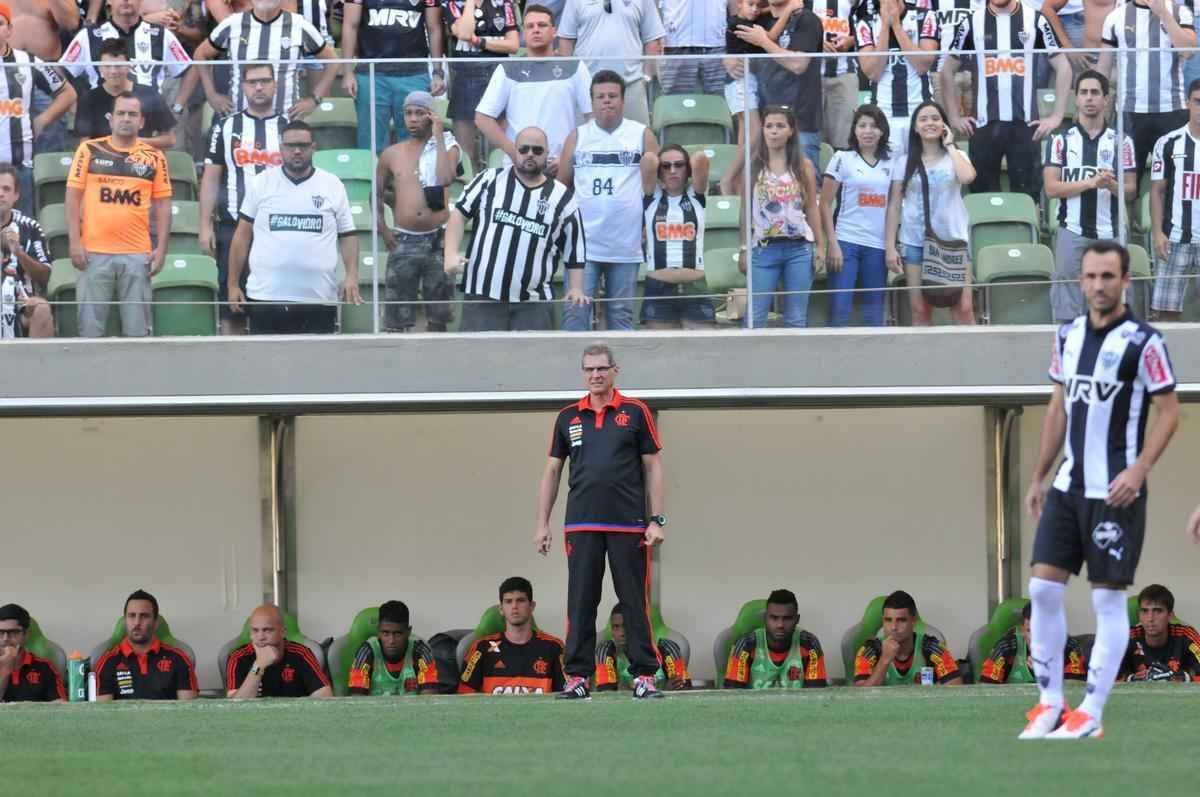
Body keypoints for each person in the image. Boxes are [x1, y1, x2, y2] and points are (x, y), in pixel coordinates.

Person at [1021, 239, 1180, 739]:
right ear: (1080, 280)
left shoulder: (1145, 342)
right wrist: (1039, 475)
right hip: (1069, 485)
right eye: (1090, 276)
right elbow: (1057, 407)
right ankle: (1050, 703)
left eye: (1108, 276)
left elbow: (1169, 413)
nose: (1098, 285)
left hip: (1115, 491)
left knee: (1108, 602)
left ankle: (1091, 711)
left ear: (1125, 281)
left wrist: (1139, 470)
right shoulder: (1066, 335)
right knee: (1042, 589)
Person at [536, 343, 666, 700]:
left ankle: (644, 676)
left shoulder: (636, 411)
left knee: (634, 602)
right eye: (589, 369)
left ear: (614, 371)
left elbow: (653, 466)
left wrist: (657, 520)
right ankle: (577, 677)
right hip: (581, 525)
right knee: (580, 602)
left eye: (601, 369)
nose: (595, 375)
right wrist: (542, 524)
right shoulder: (567, 417)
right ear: (583, 373)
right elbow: (552, 470)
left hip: (629, 525)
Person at [443, 126, 587, 331]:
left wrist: (576, 288)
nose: (530, 154)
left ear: (547, 154)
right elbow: (458, 215)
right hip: (482, 296)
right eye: (524, 149)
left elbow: (575, 248)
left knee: (533, 354)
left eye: (537, 150)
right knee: (477, 353)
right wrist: (450, 253)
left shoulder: (563, 197)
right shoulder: (489, 180)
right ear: (514, 150)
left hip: (534, 303)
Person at [228, 120, 361, 334]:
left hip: (318, 297)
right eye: (290, 146)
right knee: (266, 356)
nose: (297, 151)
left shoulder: (332, 184)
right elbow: (242, 236)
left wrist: (352, 275)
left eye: (303, 145)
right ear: (281, 148)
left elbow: (348, 234)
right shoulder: (261, 183)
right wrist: (233, 284)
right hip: (265, 296)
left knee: (316, 356)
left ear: (313, 147)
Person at [558, 70, 659, 332]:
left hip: (626, 243)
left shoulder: (642, 135)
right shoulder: (577, 136)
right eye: (600, 96)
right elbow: (561, 187)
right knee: (575, 313)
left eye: (612, 96)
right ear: (591, 101)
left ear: (622, 100)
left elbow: (654, 187)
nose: (606, 101)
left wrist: (649, 223)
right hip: (584, 245)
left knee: (621, 315)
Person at [66, 92, 172, 338]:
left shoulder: (155, 157)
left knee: (138, 334)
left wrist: (162, 249)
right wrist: (74, 243)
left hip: (137, 254)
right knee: (89, 333)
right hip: (93, 252)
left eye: (132, 114)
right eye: (121, 113)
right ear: (110, 119)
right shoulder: (88, 150)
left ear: (141, 121)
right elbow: (72, 198)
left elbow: (163, 206)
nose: (126, 118)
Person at [940, 0, 1072, 199]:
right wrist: (953, 117)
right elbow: (947, 70)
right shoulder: (971, 22)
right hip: (983, 126)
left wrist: (1056, 116)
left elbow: (1064, 67)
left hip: (1025, 126)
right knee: (982, 197)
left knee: (1028, 198)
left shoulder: (1036, 20)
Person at [199, 62, 286, 335]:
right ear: (243, 86)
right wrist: (204, 226)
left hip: (277, 228)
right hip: (232, 225)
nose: (259, 87)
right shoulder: (225, 126)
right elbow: (211, 178)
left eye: (265, 81)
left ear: (275, 85)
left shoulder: (287, 127)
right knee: (232, 305)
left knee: (272, 306)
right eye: (252, 82)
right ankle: (231, 357)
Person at [1043, 70, 1136, 323]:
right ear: (1076, 98)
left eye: (1095, 92)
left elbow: (1130, 191)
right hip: (1072, 229)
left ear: (1106, 99)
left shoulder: (1122, 142)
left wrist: (1110, 185)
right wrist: (1091, 183)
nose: (1089, 97)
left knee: (1115, 305)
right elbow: (1051, 188)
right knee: (1067, 309)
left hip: (1111, 231)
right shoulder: (1060, 140)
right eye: (1083, 92)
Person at [721, 105, 824, 328]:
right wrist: (743, 248)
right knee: (755, 318)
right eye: (769, 126)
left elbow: (811, 208)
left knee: (796, 318)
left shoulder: (803, 165)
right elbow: (745, 210)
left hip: (799, 248)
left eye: (780, 126)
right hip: (763, 248)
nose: (774, 131)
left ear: (791, 131)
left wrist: (821, 245)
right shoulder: (753, 166)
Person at [883, 100, 976, 326]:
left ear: (944, 124)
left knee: (963, 308)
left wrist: (950, 145)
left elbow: (967, 177)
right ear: (915, 127)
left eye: (935, 118)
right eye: (923, 119)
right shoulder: (904, 162)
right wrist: (890, 247)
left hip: (953, 241)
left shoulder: (956, 156)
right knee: (920, 310)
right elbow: (894, 205)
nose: (930, 123)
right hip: (915, 242)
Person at [376, 90, 460, 333]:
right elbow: (377, 194)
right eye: (408, 113)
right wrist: (383, 228)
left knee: (439, 315)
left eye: (420, 113)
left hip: (438, 239)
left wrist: (439, 136)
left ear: (431, 116)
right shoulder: (391, 154)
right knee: (397, 316)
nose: (413, 119)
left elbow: (445, 178)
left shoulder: (449, 147)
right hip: (404, 238)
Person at [474, 5, 593, 173]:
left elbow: (593, 118)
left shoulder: (574, 67)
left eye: (542, 25)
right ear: (524, 33)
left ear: (554, 31)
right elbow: (482, 118)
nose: (536, 30)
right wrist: (515, 153)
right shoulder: (508, 69)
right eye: (530, 26)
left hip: (561, 167)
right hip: (519, 169)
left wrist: (569, 155)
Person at [1097, 0, 1196, 189]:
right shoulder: (1115, 17)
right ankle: (1129, 211)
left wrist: (1163, 13)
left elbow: (1189, 52)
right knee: (1125, 184)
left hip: (1172, 110)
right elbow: (1103, 68)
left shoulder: (1179, 11)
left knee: (1174, 183)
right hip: (1130, 112)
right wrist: (1103, 109)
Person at [194, 0, 338, 120]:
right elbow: (200, 54)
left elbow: (333, 61)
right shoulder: (233, 24)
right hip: (239, 120)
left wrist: (315, 99)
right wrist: (211, 95)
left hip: (285, 122)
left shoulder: (299, 25)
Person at [821, 105, 895, 327]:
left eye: (874, 126)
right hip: (846, 242)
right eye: (862, 125)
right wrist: (833, 244)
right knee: (839, 310)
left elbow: (894, 207)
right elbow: (824, 204)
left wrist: (890, 246)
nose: (868, 131)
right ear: (854, 130)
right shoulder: (842, 158)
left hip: (877, 246)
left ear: (882, 131)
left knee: (874, 315)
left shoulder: (892, 162)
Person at [339, 0, 445, 153]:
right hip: (371, 72)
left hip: (413, 72)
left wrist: (437, 72)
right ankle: (374, 170)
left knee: (415, 140)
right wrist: (348, 71)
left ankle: (411, 170)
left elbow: (434, 28)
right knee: (371, 141)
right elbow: (350, 25)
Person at [0, 3, 75, 215]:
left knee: (22, 224)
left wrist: (43, 119)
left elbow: (67, 93)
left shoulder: (29, 62)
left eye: (0, 23)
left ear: (9, 29)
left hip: (19, 167)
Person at [733, 0, 824, 170]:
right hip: (767, 123)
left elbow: (798, 64)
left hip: (801, 122)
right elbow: (731, 44)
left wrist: (764, 41)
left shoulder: (806, 19)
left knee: (805, 182)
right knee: (765, 184)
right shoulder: (757, 19)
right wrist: (727, 59)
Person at [638, 144, 716, 329]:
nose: (672, 170)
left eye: (679, 165)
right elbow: (648, 159)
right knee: (660, 347)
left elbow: (700, 158)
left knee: (706, 346)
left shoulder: (696, 196)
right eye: (666, 166)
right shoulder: (652, 196)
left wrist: (685, 165)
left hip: (694, 286)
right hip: (658, 287)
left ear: (687, 169)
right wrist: (661, 166)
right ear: (659, 171)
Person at [438, 0, 519, 169]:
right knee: (466, 153)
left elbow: (513, 45)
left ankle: (498, 182)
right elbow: (464, 33)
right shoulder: (452, 4)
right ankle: (473, 183)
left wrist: (480, 42)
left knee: (500, 148)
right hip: (465, 79)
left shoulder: (504, 4)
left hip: (497, 78)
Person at [557, 0, 665, 125]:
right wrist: (571, 80)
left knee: (638, 136)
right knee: (585, 137)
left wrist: (646, 78)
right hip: (587, 87)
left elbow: (652, 40)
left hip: (631, 86)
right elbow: (566, 41)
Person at [853, 0, 937, 157]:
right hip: (883, 114)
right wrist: (885, 27)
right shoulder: (865, 23)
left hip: (920, 111)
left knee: (921, 167)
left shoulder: (926, 16)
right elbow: (873, 73)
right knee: (889, 170)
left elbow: (923, 65)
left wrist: (897, 26)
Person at [458, 577, 567, 695]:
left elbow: (567, 693)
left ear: (532, 606)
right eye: (508, 601)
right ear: (501, 609)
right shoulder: (481, 648)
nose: (514, 606)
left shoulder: (554, 647)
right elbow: (464, 696)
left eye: (520, 600)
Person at [1149, 80, 1200, 322]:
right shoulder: (1168, 142)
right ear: (1188, 103)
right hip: (1176, 239)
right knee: (1166, 315)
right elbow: (1157, 191)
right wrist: (1158, 233)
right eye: (1198, 102)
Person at [61, 0, 192, 92]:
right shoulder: (88, 35)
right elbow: (62, 70)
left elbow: (188, 68)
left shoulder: (162, 35)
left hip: (149, 114)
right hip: (102, 115)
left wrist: (178, 105)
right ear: (109, 1)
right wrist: (75, 106)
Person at [94, 589, 199, 701]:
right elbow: (104, 711)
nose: (137, 622)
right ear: (125, 621)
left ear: (155, 623)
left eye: (144, 616)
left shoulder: (179, 659)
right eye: (132, 616)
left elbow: (188, 709)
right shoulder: (107, 663)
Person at [74, 37, 177, 149]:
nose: (113, 71)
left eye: (118, 66)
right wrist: (112, 148)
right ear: (100, 68)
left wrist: (135, 142)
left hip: (140, 156)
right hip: (102, 157)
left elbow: (169, 139)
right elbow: (84, 143)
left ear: (129, 66)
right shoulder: (88, 99)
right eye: (107, 66)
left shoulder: (149, 94)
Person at [853, 590, 963, 686]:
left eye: (901, 620)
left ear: (913, 621)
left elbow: (956, 686)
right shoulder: (869, 650)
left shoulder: (932, 647)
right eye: (888, 620)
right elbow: (859, 695)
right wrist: (884, 660)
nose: (893, 627)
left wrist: (931, 688)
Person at [722, 589, 828, 689]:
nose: (780, 625)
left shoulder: (809, 645)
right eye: (774, 618)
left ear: (797, 619)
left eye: (787, 618)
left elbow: (817, 695)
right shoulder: (745, 645)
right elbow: (732, 695)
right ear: (765, 618)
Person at [226, 604, 333, 698]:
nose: (260, 637)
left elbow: (325, 696)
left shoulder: (301, 653)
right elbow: (235, 706)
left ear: (283, 632)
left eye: (267, 630)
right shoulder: (238, 656)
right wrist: (259, 665)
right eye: (255, 630)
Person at [0, 164, 53, 338]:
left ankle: (38, 358)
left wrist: (19, 253)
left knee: (42, 309)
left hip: (21, 304)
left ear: (16, 195)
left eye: (6, 189)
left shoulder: (30, 227)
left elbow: (44, 276)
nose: (0, 193)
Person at [347, 600, 442, 695]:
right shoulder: (366, 652)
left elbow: (430, 698)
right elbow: (356, 699)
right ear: (378, 631)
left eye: (398, 634)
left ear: (408, 632)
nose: (391, 641)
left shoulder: (421, 651)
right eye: (385, 633)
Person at [980, 603, 1088, 684]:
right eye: (1030, 631)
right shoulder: (1006, 648)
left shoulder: (1068, 648)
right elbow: (985, 689)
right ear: (1022, 630)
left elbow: (1076, 690)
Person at [595, 603, 691, 691]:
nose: (621, 633)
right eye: (616, 627)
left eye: (626, 626)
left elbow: (684, 689)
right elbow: (606, 695)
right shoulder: (606, 651)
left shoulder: (667, 648)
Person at [1118, 583, 1200, 682]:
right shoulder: (1126, 637)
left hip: (1176, 691)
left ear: (1170, 616)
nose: (1150, 618)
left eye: (1158, 611)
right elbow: (1106, 675)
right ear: (1139, 615)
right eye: (1144, 611)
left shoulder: (1186, 635)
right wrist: (1131, 679)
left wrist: (1184, 678)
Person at [809, 0, 858, 153]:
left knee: (845, 138)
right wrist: (816, 42)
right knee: (813, 139)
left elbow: (870, 23)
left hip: (844, 74)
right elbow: (793, 27)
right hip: (810, 77)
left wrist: (852, 40)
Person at [657, 0, 727, 97]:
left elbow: (736, 7)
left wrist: (732, 49)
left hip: (716, 43)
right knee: (676, 101)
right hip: (677, 42)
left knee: (718, 100)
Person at [0, 603, 66, 703]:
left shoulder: (45, 667)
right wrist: (5, 670)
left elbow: (61, 706)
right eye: (0, 632)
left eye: (13, 632)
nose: (5, 639)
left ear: (26, 635)